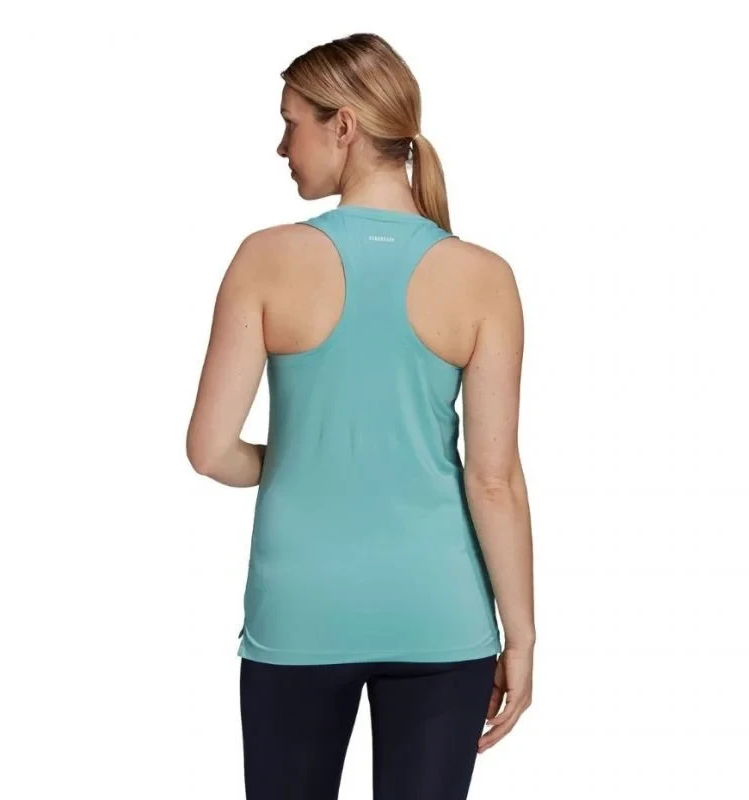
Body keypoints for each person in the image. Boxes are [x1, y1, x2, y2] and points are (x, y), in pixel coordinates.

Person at [186, 32, 535, 800]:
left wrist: (306, 456)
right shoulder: (484, 276)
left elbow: (210, 452)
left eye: (291, 123)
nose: (282, 147)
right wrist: (523, 634)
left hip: (300, 616)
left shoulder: (264, 259)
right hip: (441, 619)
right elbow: (494, 481)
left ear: (342, 125)